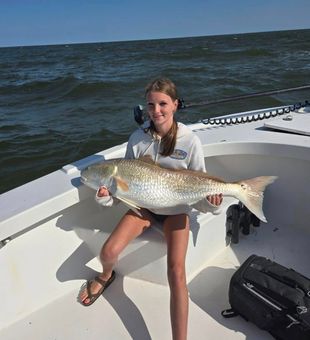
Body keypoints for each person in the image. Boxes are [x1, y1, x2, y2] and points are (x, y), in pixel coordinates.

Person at [78, 78, 223, 340]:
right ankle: (106, 275)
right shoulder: (137, 139)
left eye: (163, 104)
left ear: (175, 105)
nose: (156, 111)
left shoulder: (190, 141)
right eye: (151, 105)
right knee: (108, 251)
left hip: (176, 211)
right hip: (143, 209)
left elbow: (200, 186)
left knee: (176, 273)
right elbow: (125, 192)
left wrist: (213, 204)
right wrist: (104, 197)